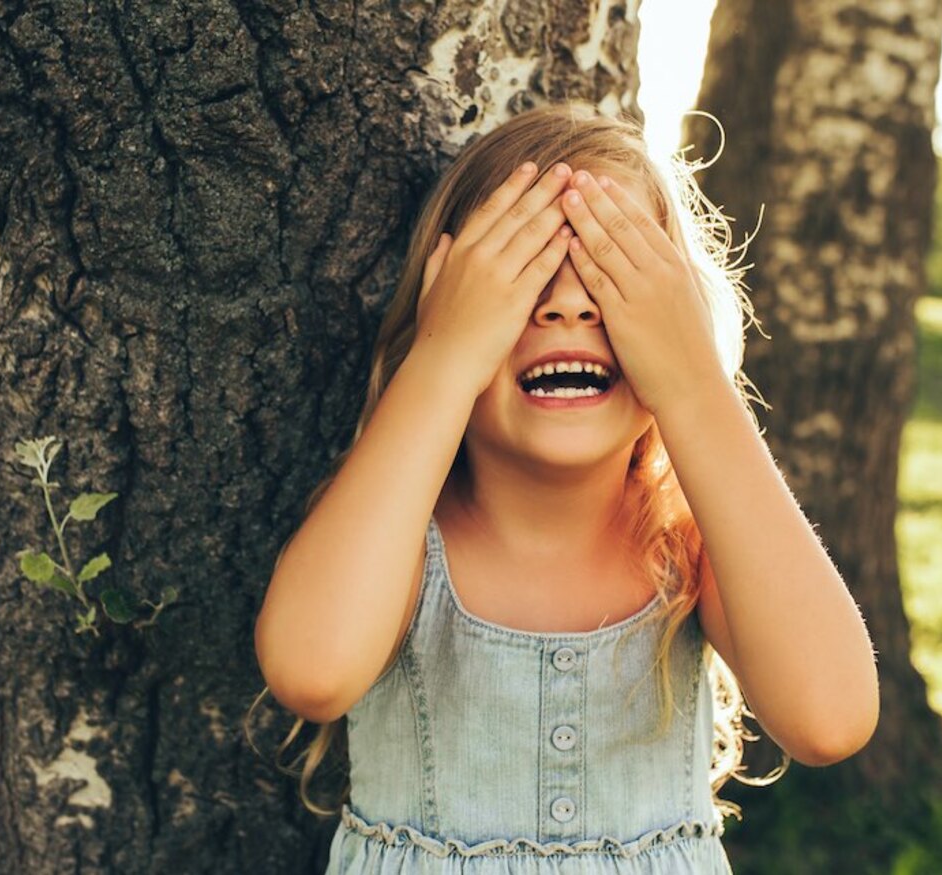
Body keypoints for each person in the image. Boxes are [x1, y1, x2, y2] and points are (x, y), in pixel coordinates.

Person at [247, 101, 880, 873]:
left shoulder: (693, 543)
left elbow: (831, 718)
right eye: (524, 277)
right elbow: (312, 671)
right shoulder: (396, 535)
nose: (571, 304)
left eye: (617, 280)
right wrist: (445, 360)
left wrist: (692, 386)